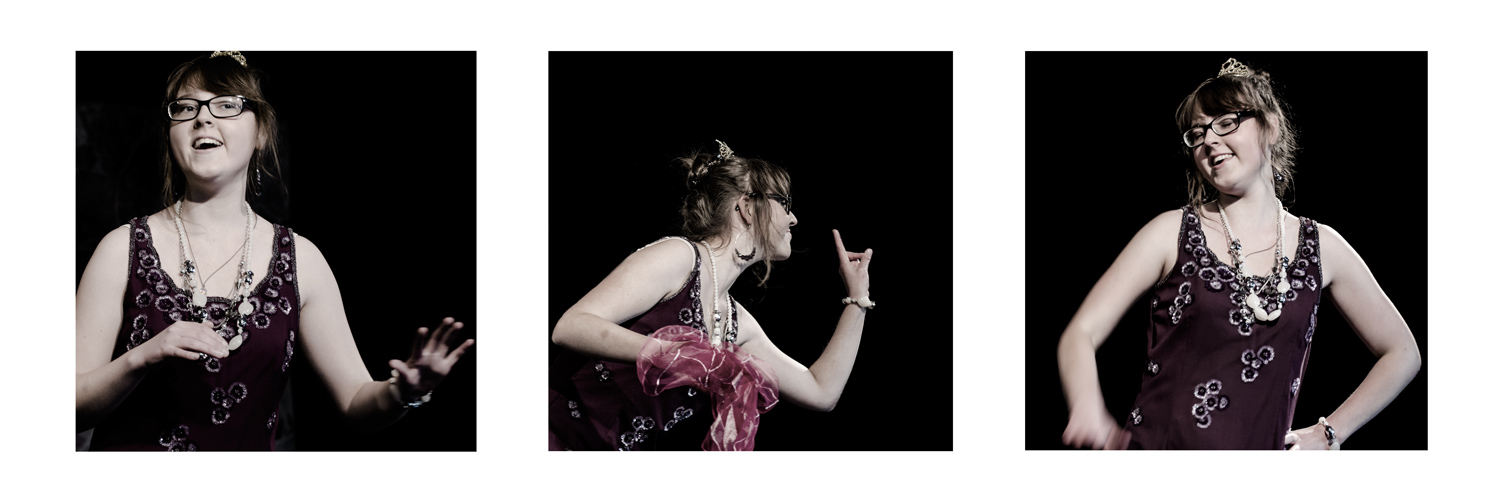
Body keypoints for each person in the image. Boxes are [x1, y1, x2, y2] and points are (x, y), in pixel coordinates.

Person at [74, 51, 474, 450]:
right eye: (185, 107)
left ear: (262, 131)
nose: (203, 118)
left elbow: (355, 401)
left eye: (226, 104)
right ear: (170, 132)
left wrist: (404, 392)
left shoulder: (302, 260)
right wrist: (143, 356)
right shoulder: (121, 249)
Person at [1056, 58, 1421, 450]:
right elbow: (1080, 333)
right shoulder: (1171, 232)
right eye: (1197, 133)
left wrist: (1330, 432)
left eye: (1226, 122)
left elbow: (1403, 354)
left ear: (1270, 126)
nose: (1209, 140)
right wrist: (1086, 404)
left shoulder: (1322, 246)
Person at [549, 141, 873, 450]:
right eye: (784, 203)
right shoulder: (680, 257)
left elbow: (821, 392)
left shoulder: (736, 322)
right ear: (747, 206)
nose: (794, 218)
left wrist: (858, 298)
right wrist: (681, 354)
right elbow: (571, 326)